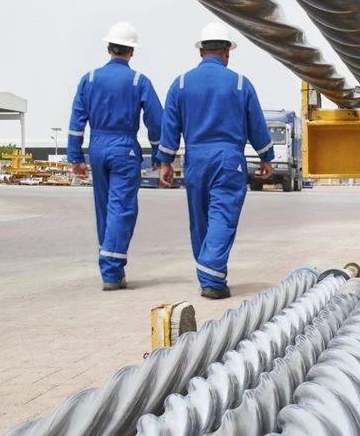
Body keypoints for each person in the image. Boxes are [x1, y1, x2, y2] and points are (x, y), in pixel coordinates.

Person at [154, 22, 274, 300]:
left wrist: (165, 162)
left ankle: (208, 272)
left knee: (200, 219)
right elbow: (256, 125)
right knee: (223, 215)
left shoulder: (180, 83)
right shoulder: (241, 84)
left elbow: (169, 128)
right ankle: (211, 276)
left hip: (196, 159)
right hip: (228, 159)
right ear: (227, 53)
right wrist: (266, 157)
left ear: (200, 52)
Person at [67, 21, 164, 290]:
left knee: (104, 208)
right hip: (124, 148)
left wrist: (76, 158)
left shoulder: (88, 79)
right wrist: (159, 153)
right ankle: (111, 271)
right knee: (122, 208)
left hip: (97, 147)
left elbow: (77, 122)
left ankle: (109, 261)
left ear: (109, 47)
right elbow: (156, 121)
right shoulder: (138, 81)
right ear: (131, 52)